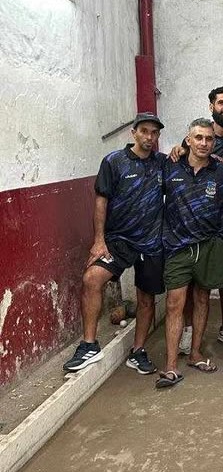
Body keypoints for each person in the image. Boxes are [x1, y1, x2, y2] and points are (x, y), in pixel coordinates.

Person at [63, 113, 165, 374]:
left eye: (154, 132)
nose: (149, 137)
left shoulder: (162, 163)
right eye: (144, 131)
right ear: (134, 133)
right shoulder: (114, 161)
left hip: (151, 242)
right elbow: (101, 202)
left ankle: (138, 351)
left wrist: (182, 148)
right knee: (91, 279)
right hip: (118, 240)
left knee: (146, 298)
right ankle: (89, 345)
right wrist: (99, 241)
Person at [156, 118, 223, 388]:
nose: (204, 143)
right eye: (198, 138)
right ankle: (171, 365)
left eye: (209, 139)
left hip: (209, 245)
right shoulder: (170, 166)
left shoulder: (222, 170)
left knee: (202, 299)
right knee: (174, 303)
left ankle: (195, 353)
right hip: (177, 246)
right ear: (188, 140)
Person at [172, 86, 223, 355]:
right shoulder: (197, 138)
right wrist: (177, 150)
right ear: (212, 107)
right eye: (221, 103)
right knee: (192, 284)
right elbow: (181, 159)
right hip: (195, 225)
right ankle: (188, 329)